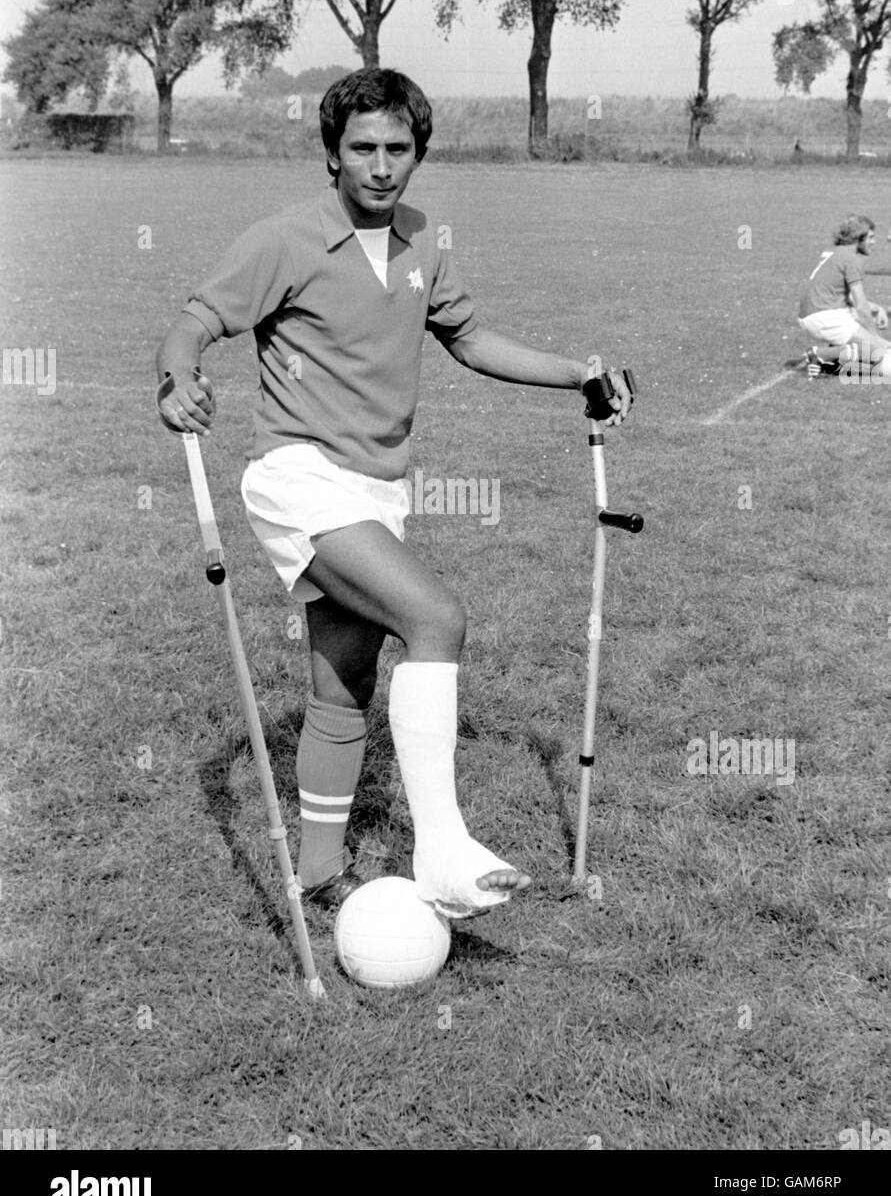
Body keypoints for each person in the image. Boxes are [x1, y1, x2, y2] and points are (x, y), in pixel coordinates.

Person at [155, 67, 631, 919]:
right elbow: (197, 320)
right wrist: (177, 378)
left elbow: (471, 337)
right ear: (330, 155)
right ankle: (442, 848)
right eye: (361, 149)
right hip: (297, 476)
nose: (380, 166)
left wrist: (576, 374)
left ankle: (318, 872)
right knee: (434, 618)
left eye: (397, 150)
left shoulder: (421, 237)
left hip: (377, 487)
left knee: (344, 686)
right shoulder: (283, 238)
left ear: (418, 154)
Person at [799, 215, 891, 379]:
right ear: (858, 238)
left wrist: (877, 308)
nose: (874, 241)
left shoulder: (836, 252)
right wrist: (875, 337)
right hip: (825, 316)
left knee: (876, 348)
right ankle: (821, 355)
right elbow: (860, 303)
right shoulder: (851, 259)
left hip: (818, 313)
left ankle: (829, 361)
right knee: (883, 353)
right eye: (870, 237)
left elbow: (843, 295)